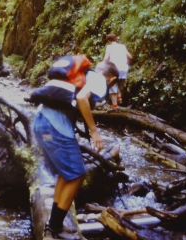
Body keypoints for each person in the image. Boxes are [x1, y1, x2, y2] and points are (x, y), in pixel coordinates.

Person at [32, 60, 119, 239]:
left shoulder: (79, 77)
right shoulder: (99, 80)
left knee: (66, 174)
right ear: (112, 79)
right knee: (77, 174)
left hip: (41, 123)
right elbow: (81, 99)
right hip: (55, 127)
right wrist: (94, 132)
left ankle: (53, 225)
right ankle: (55, 227)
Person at [102, 33, 132, 108]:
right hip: (124, 68)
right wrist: (127, 64)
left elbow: (106, 58)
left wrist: (102, 66)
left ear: (109, 40)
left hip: (115, 69)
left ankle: (115, 106)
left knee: (112, 86)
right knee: (120, 84)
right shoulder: (122, 46)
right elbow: (130, 57)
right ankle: (120, 98)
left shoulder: (109, 47)